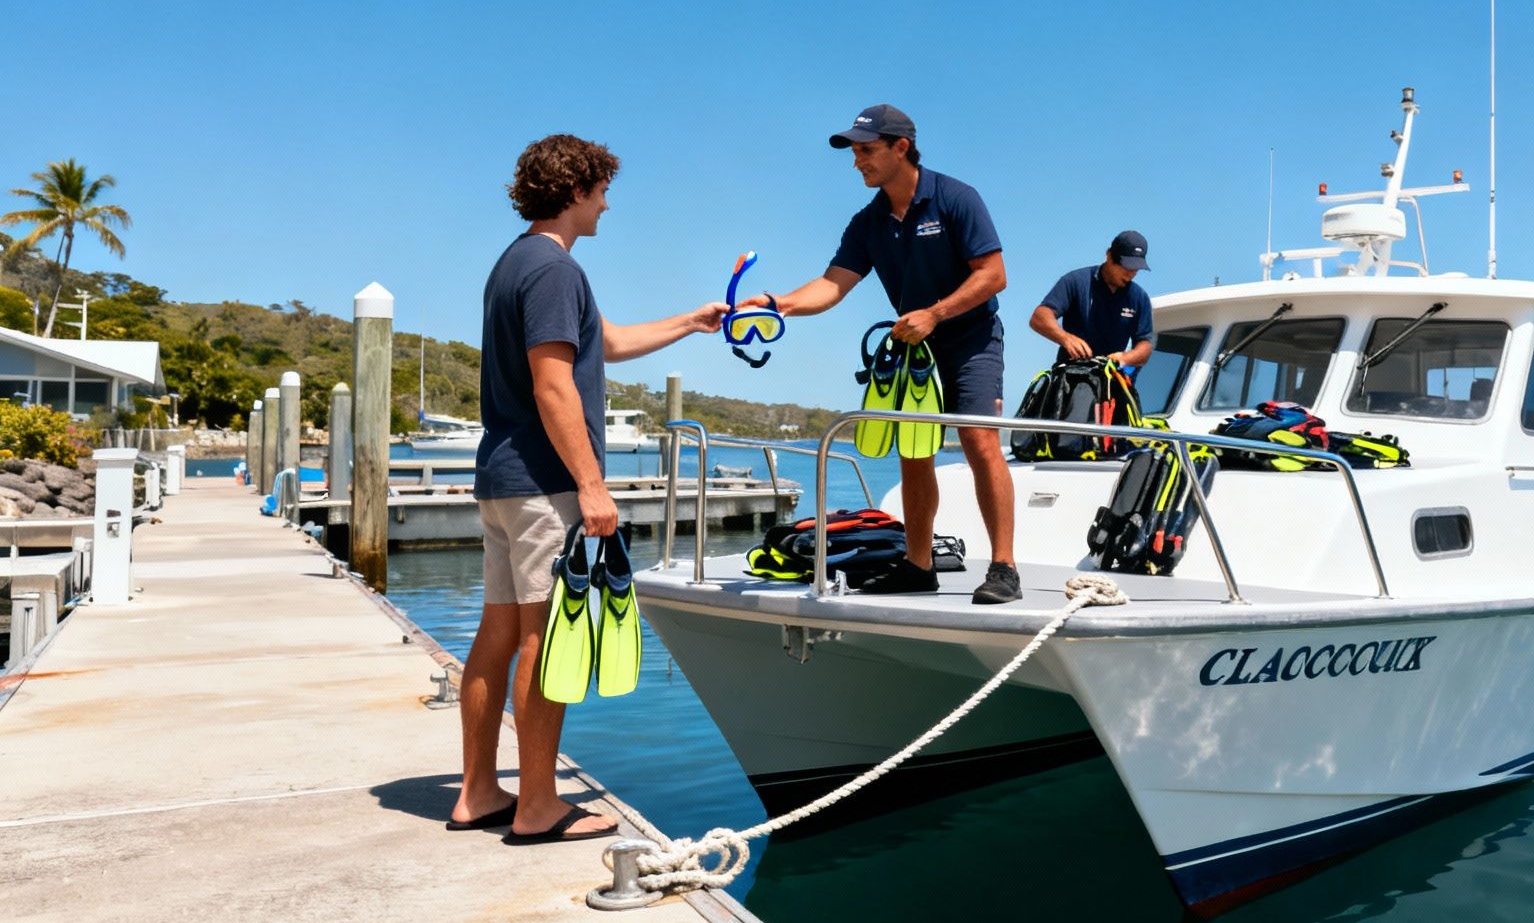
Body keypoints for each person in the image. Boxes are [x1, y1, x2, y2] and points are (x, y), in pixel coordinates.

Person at [452, 134, 727, 840]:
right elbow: (553, 386)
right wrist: (594, 485)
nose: (607, 203)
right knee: (545, 638)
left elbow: (606, 341)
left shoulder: (517, 262)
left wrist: (693, 322)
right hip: (545, 484)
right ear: (576, 190)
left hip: (502, 481)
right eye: (602, 190)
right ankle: (538, 805)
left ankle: (479, 793)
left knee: (498, 633)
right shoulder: (555, 270)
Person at [735, 103, 1021, 604]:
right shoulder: (867, 223)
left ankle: (1003, 568)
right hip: (913, 350)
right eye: (854, 153)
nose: (857, 163)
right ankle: (918, 565)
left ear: (901, 148)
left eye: (866, 151)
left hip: (971, 339)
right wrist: (778, 304)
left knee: (979, 440)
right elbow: (831, 285)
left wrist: (934, 312)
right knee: (914, 453)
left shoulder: (955, 198)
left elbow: (993, 275)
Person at [1029, 230, 1156, 371]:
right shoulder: (1076, 281)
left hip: (1111, 377)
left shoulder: (1139, 298)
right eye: (1127, 266)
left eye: (1136, 269)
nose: (1131, 274)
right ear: (1109, 255)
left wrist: (1125, 358)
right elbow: (1039, 317)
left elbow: (1145, 345)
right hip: (1071, 372)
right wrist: (1065, 338)